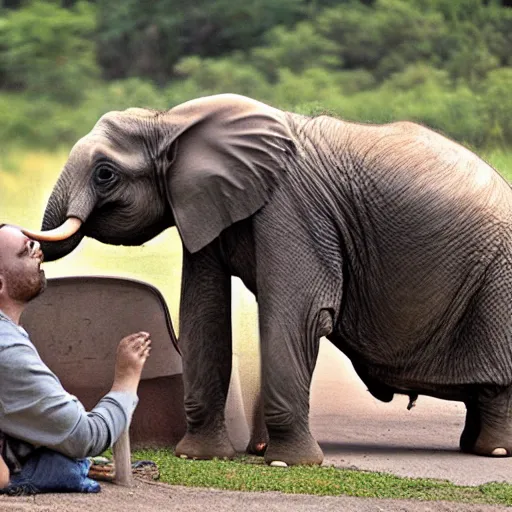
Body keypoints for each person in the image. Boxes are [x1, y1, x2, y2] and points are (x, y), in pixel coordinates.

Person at [0, 224, 151, 488]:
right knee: (66, 469)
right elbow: (86, 436)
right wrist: (125, 382)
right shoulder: (7, 349)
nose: (39, 252)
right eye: (27, 250)